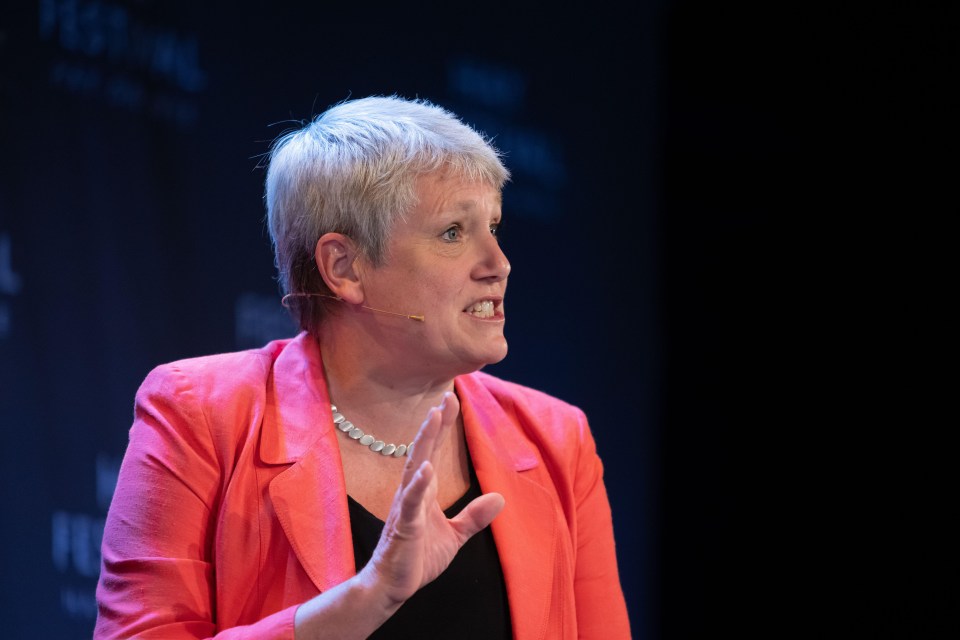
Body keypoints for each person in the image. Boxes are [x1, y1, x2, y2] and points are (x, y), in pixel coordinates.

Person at [94, 95, 631, 639]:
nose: (498, 264)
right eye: (453, 232)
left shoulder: (556, 442)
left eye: (493, 227)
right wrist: (370, 598)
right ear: (343, 267)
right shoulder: (202, 415)